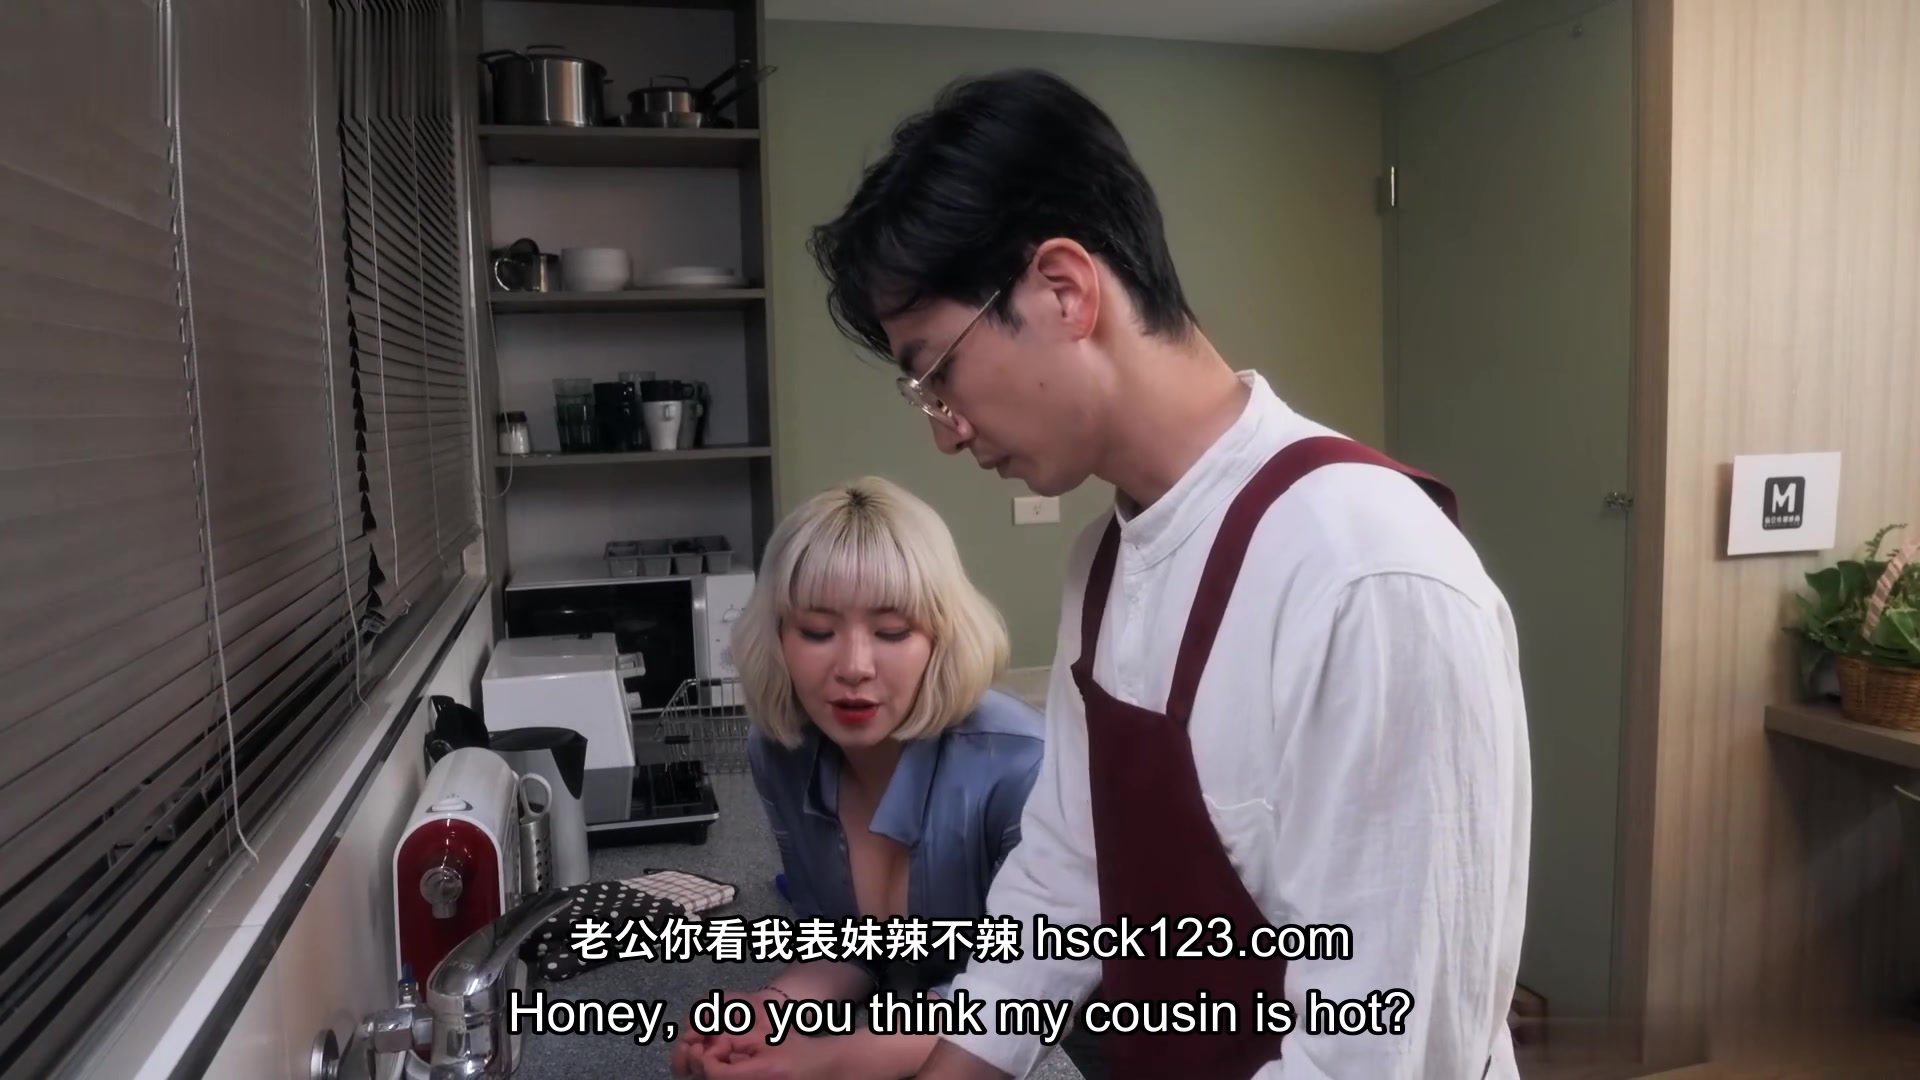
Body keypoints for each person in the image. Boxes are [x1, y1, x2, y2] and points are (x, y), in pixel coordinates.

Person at [805, 69, 1533, 1080]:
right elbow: (1066, 877)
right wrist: (943, 1065)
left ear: (1064, 291)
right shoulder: (1104, 564)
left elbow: (1384, 1052)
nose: (945, 431)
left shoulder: (1368, 574)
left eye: (938, 373)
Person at [670, 476, 1045, 1080]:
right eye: (817, 632)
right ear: (777, 637)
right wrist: (770, 1009)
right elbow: (846, 948)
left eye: (892, 632)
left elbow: (1021, 1003)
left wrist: (831, 1057)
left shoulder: (1023, 766)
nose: (853, 667)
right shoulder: (780, 753)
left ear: (942, 637)